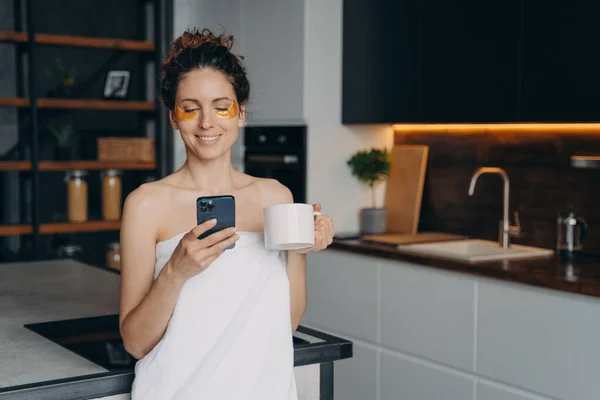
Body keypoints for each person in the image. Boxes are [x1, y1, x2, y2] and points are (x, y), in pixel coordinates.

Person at [118, 28, 335, 400]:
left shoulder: (275, 197)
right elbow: (136, 343)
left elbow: (286, 323)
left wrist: (301, 248)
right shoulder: (146, 204)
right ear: (174, 117)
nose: (207, 123)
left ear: (240, 113)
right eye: (190, 108)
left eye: (221, 106)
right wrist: (175, 271)